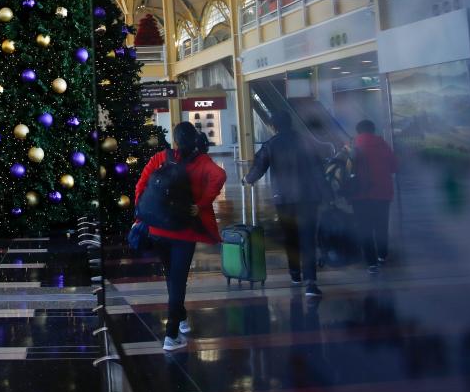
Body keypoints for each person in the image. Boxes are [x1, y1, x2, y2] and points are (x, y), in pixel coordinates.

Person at [135, 122, 226, 351]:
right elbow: (220, 176)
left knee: (172, 277)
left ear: (174, 141)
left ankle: (182, 317)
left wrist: (142, 214)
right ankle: (171, 334)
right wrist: (202, 203)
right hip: (184, 232)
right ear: (195, 140)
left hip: (157, 230)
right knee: (178, 280)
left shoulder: (160, 158)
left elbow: (141, 185)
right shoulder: (202, 162)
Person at [244, 111, 332, 298]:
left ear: (274, 127)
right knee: (308, 238)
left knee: (290, 236)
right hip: (309, 198)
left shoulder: (271, 144)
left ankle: (295, 274)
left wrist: (247, 179)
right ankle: (311, 283)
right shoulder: (306, 141)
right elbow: (318, 169)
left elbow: (259, 166)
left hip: (284, 199)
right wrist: (327, 193)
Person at [350, 120, 398, 273]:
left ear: (358, 131)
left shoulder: (352, 145)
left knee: (365, 228)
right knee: (381, 226)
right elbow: (394, 167)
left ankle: (371, 264)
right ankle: (382, 256)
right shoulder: (382, 145)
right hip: (382, 194)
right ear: (373, 129)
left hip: (359, 195)